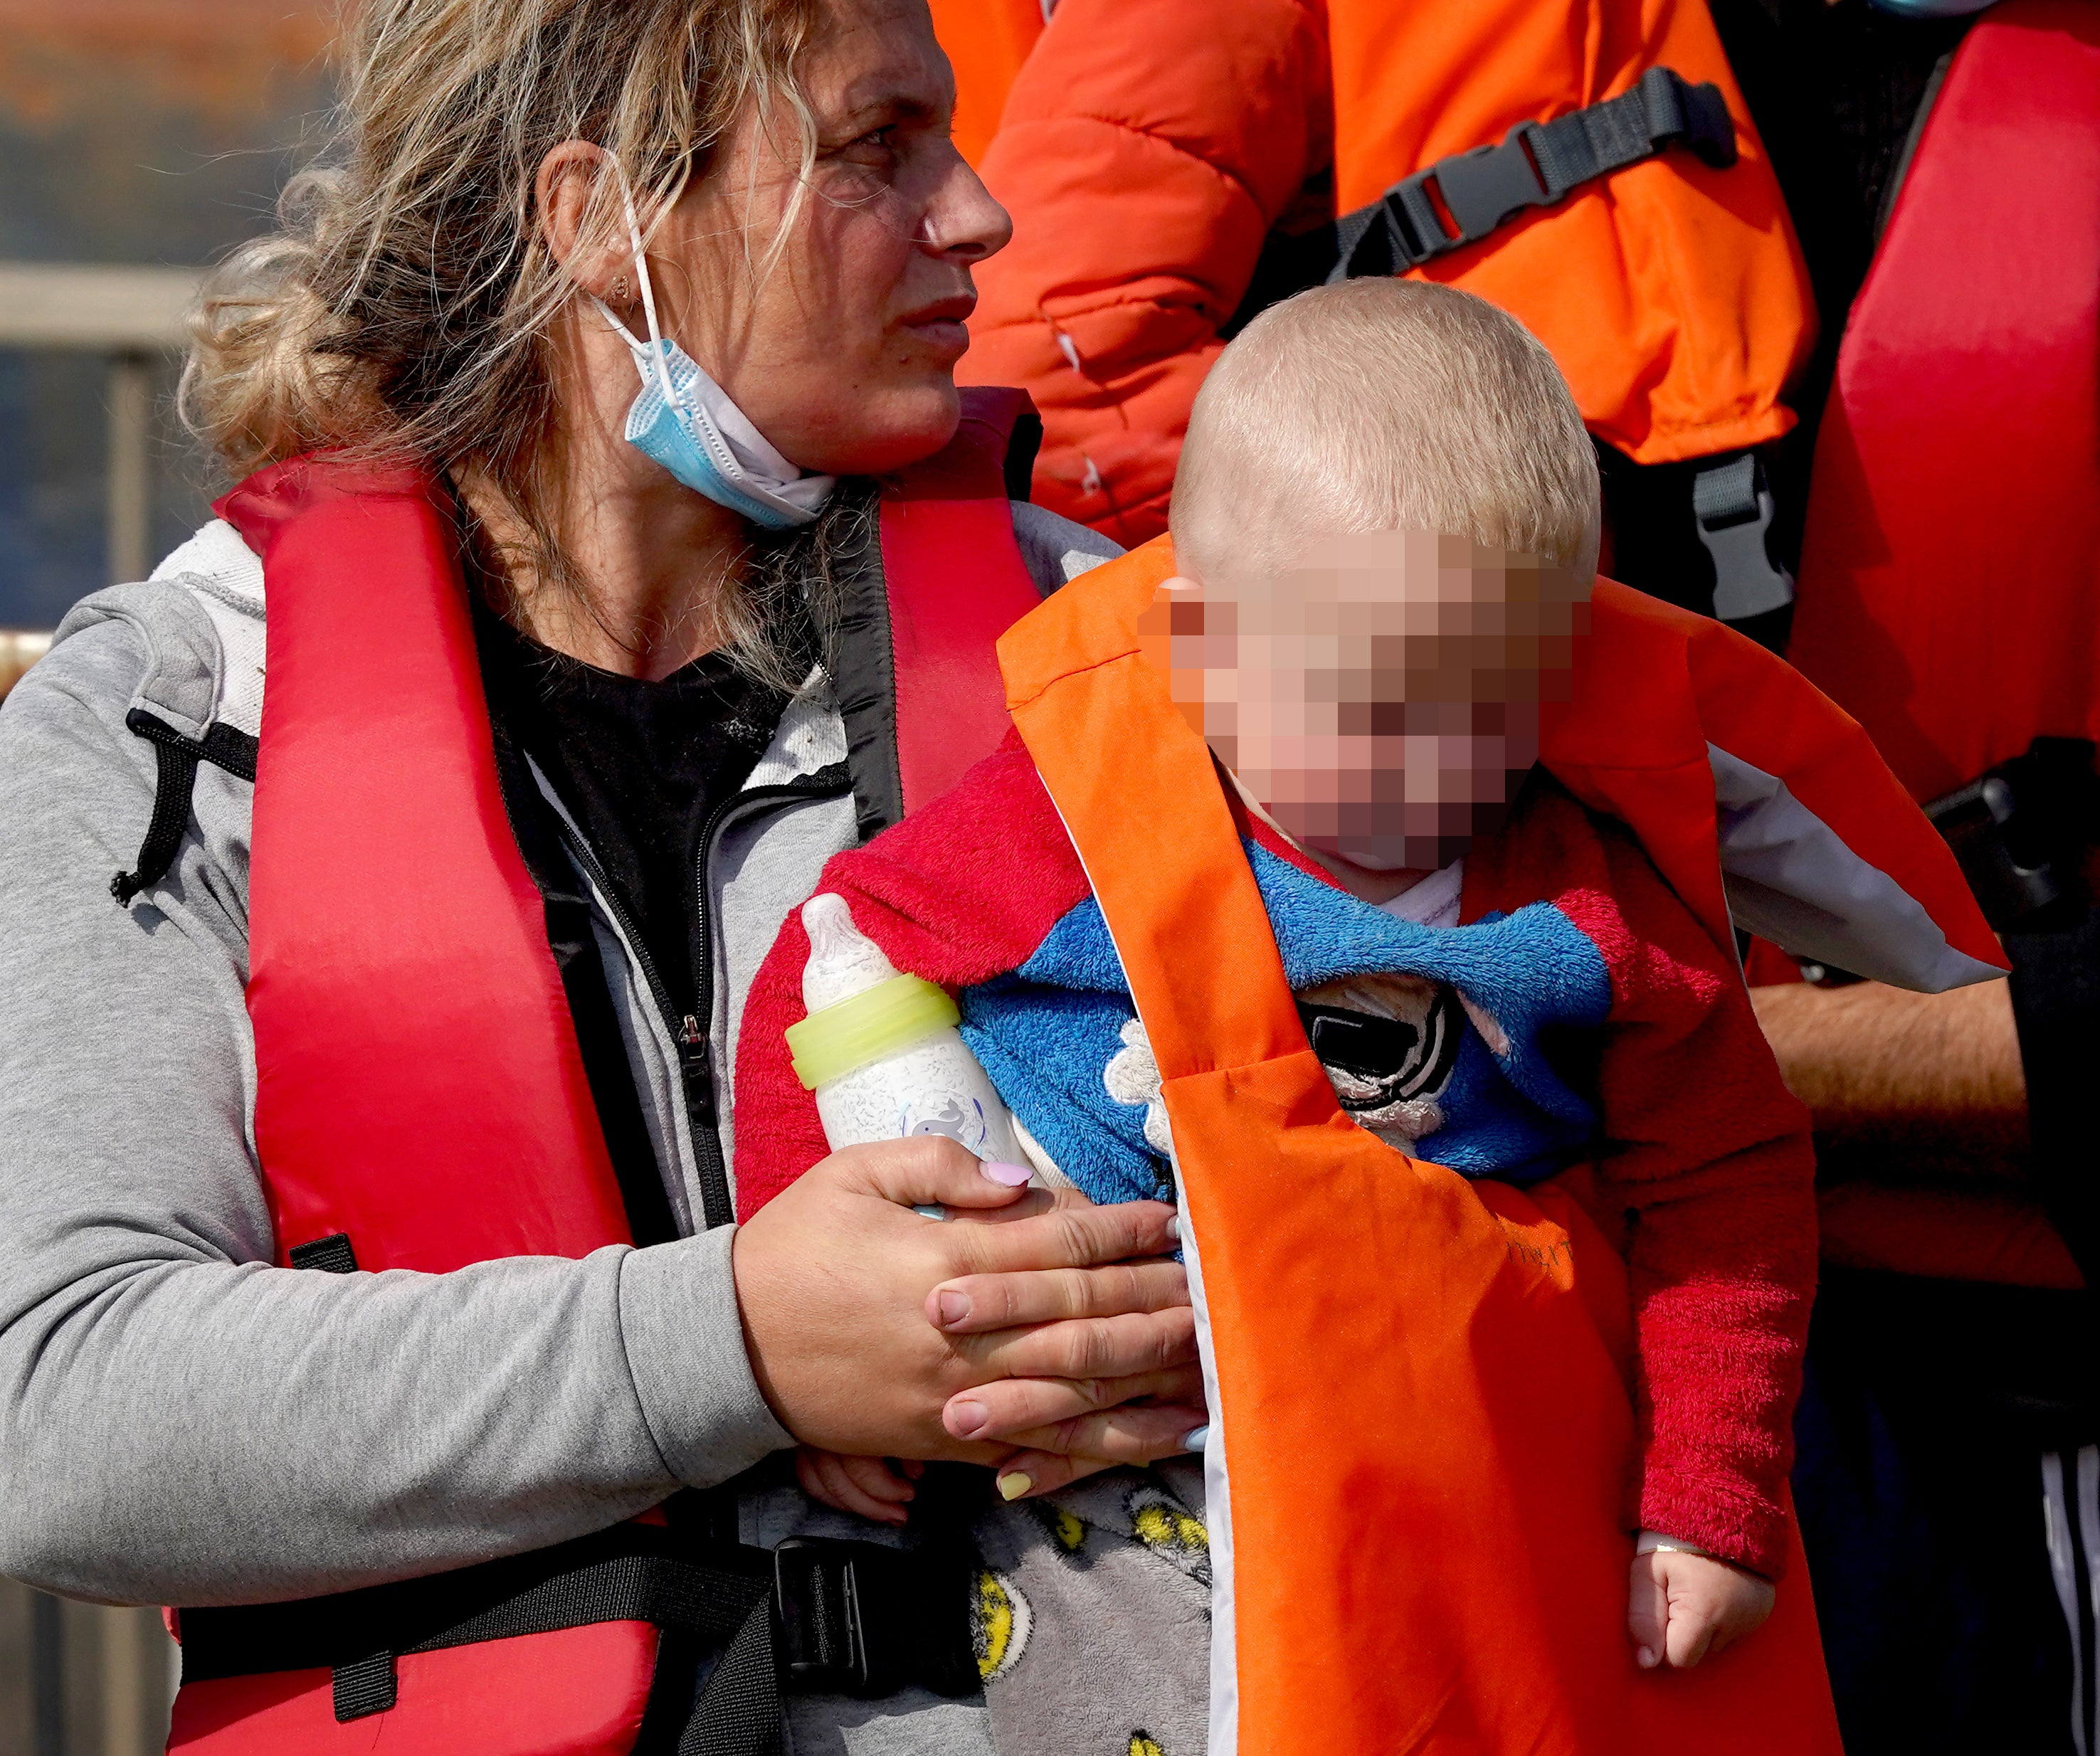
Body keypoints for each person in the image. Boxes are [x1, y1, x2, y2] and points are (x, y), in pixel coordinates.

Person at [0, 1, 1213, 1750]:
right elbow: (65, 1413)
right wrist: (732, 1348)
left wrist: (1160, 1323)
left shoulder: (1104, 655)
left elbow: (1422, 1138)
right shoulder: (171, 717)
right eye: (880, 145)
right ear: (596, 219)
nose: (979, 214)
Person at [732, 280, 1842, 1750]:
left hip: (1462, 1507)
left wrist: (1713, 1498)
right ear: (1199, 651)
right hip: (1109, 1490)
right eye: (1378, 711)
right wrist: (823, 1364)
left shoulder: (1590, 911)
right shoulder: (1065, 827)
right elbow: (833, 954)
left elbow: (1730, 1188)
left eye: (1500, 705)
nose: (1439, 772)